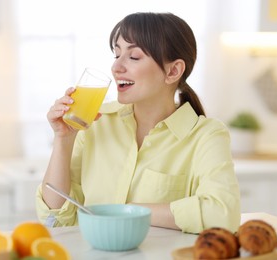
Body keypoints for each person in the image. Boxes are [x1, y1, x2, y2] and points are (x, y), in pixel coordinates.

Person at [36, 12, 241, 234]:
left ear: (173, 71)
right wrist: (63, 140)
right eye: (116, 55)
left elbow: (223, 214)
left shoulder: (206, 135)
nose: (116, 68)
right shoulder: (95, 122)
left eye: (133, 57)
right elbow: (55, 219)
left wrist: (129, 211)